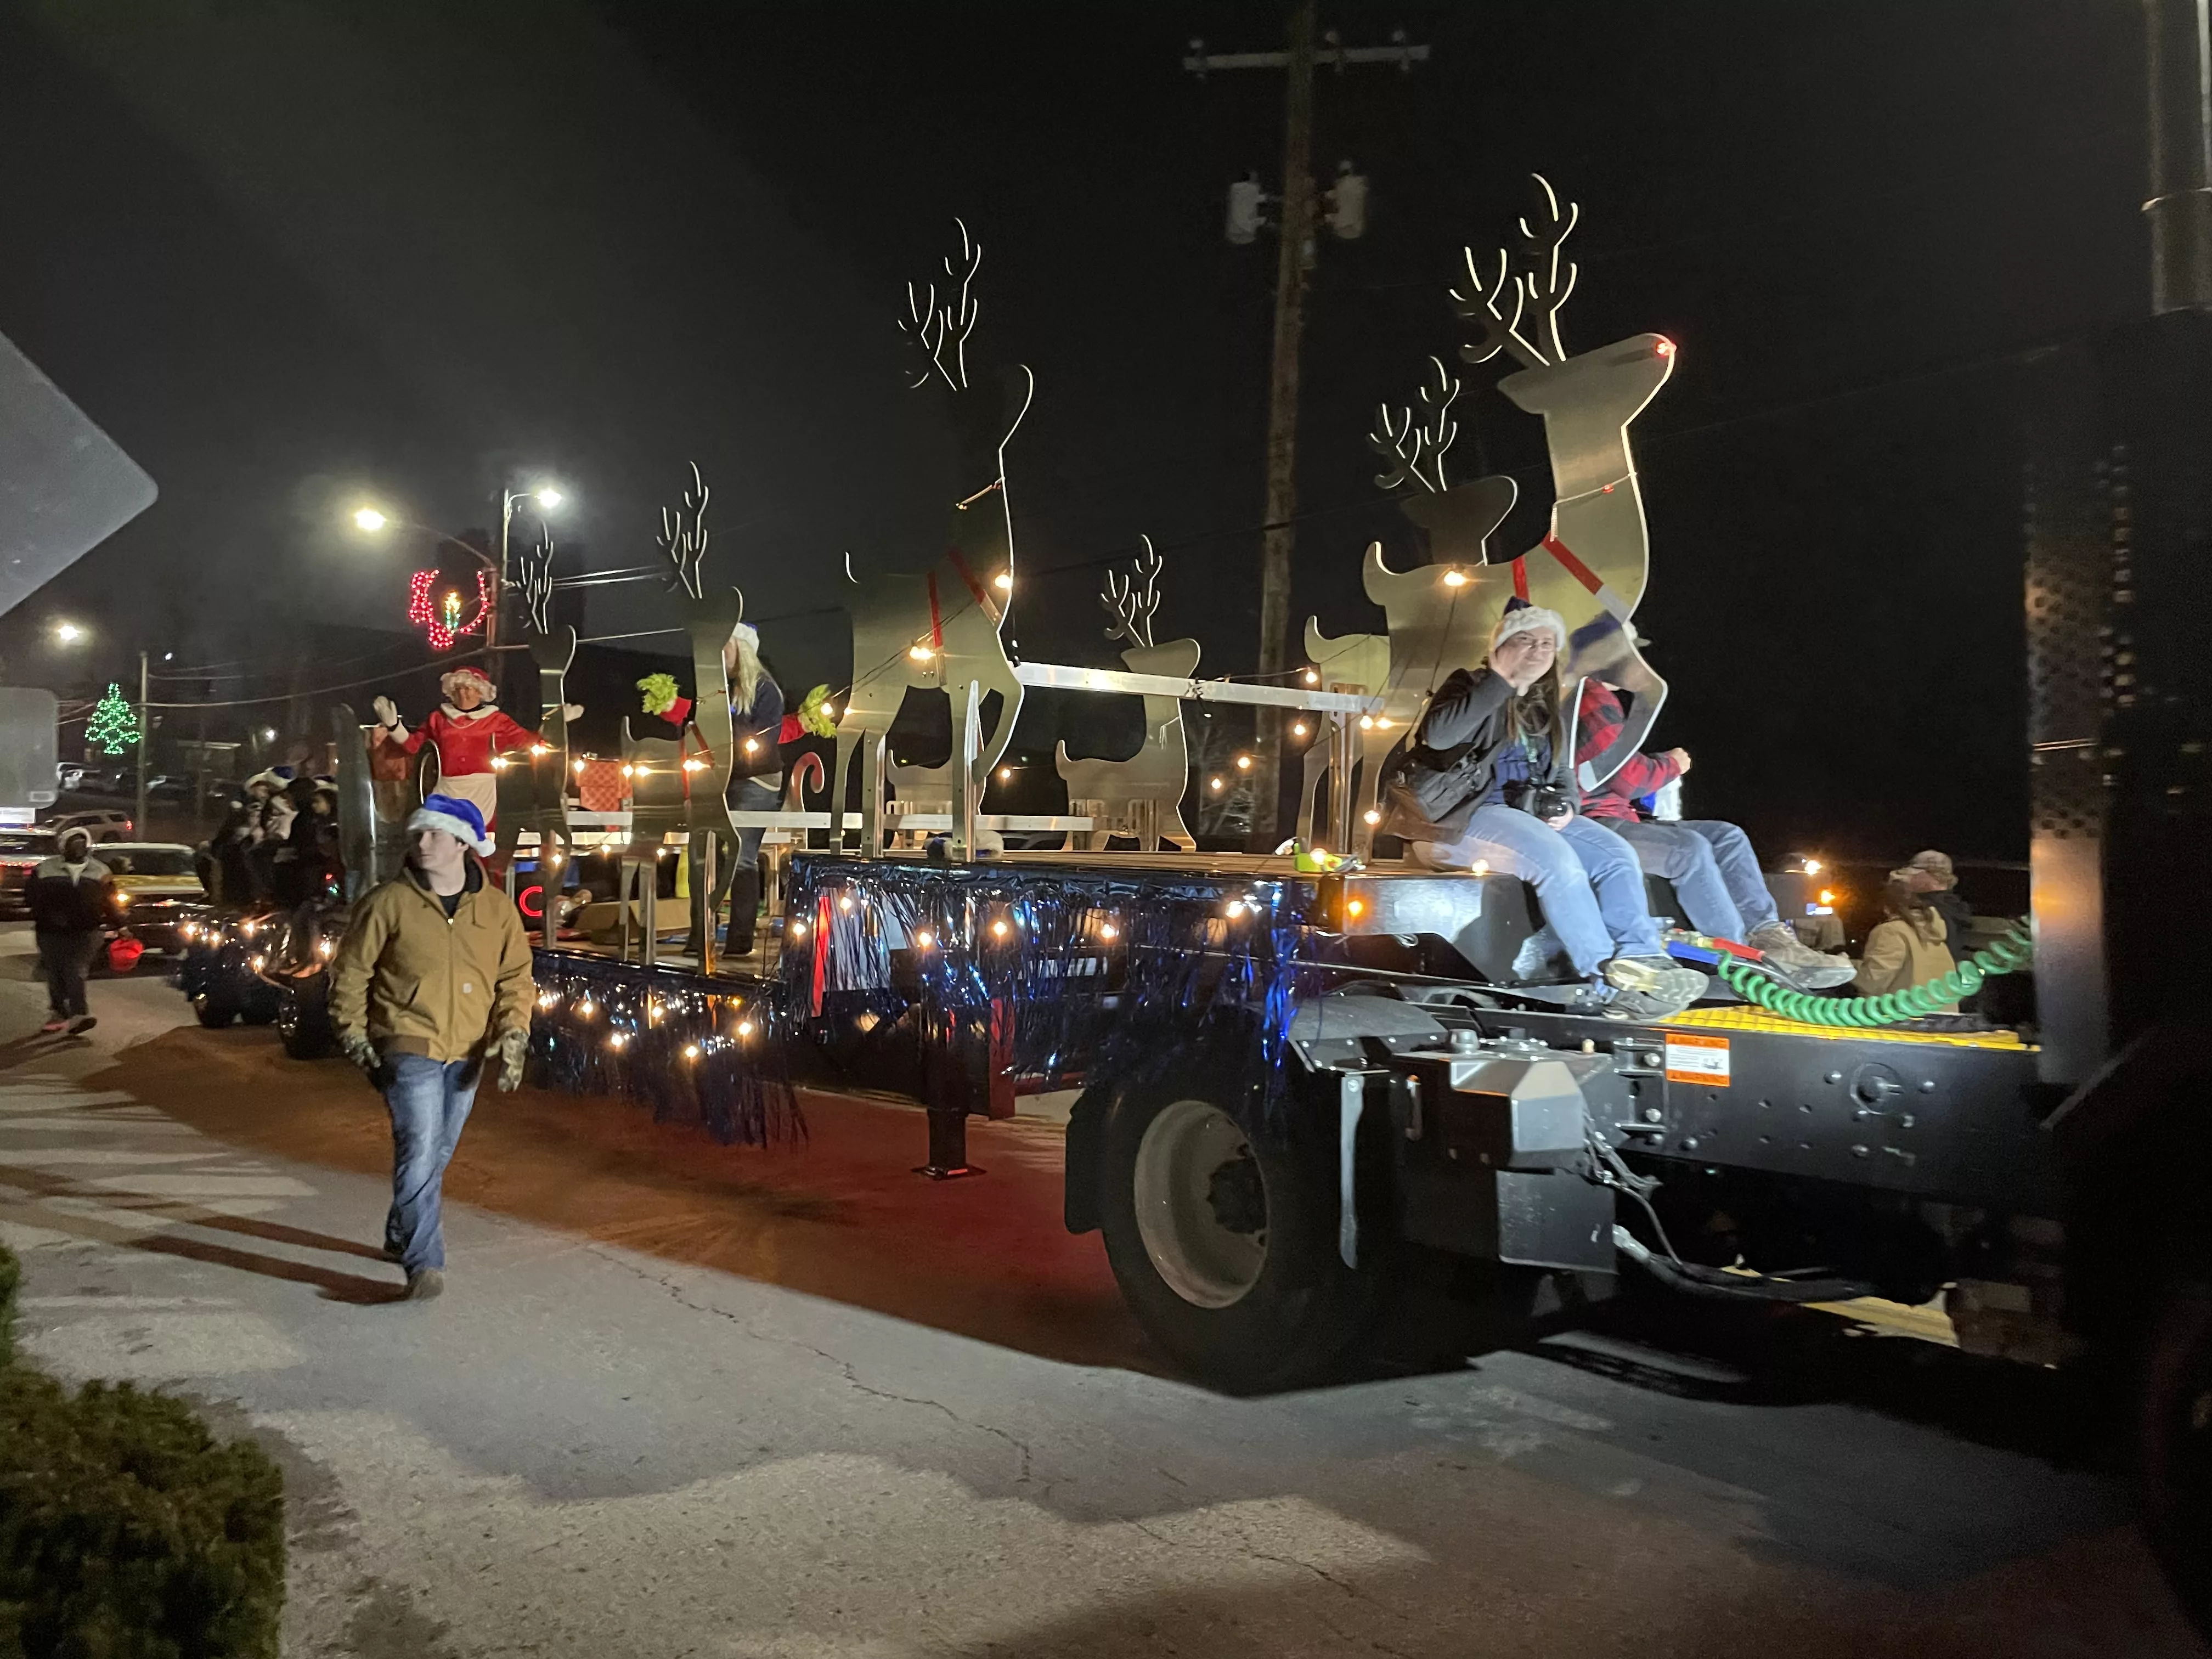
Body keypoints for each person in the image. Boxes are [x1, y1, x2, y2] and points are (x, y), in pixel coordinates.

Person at [1378, 598, 1708, 1020]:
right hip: (1457, 824)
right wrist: (1499, 680)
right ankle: (1610, 984)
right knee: (1559, 862)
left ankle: (1644, 962)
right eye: (1525, 640)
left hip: (1524, 820)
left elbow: (1562, 770)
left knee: (1616, 856)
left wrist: (1567, 807)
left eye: (1547, 644)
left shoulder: (1542, 706)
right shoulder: (1469, 685)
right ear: (1500, 645)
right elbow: (1439, 737)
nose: (1537, 651)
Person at [328, 793, 535, 1301]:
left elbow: (516, 978)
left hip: (468, 1051)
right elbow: (351, 973)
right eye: (418, 834)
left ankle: (401, 1233)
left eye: (435, 834)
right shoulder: (387, 903)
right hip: (407, 1043)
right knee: (419, 1146)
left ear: (464, 843)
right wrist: (352, 1031)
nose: (422, 843)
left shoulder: (497, 911)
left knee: (437, 1152)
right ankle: (426, 1264)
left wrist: (513, 1031)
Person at [1571, 678, 1854, 991]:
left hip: (1618, 816)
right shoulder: (1591, 697)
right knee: (1687, 850)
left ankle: (1769, 936)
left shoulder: (1592, 698)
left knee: (1727, 837)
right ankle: (1741, 962)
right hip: (1593, 821)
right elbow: (1629, 778)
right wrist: (1671, 765)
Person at [639, 620, 790, 957]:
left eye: (725, 647)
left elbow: (760, 744)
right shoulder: (722, 689)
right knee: (701, 855)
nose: (719, 655)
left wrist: (713, 716)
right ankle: (700, 936)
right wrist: (687, 714)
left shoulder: (767, 691)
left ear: (742, 649)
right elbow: (701, 732)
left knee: (741, 857)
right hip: (719, 778)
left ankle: (738, 940)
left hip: (756, 781)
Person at [371, 665, 561, 837]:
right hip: (446, 789)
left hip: (481, 791)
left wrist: (557, 724)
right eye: (458, 689)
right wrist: (394, 726)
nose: (463, 694)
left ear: (480, 692)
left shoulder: (496, 721)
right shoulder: (438, 719)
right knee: (442, 841)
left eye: (468, 688)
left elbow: (529, 742)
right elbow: (414, 746)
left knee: (480, 843)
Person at [27, 827, 116, 1035]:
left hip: (87, 930)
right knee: (55, 971)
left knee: (76, 969)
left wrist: (119, 923)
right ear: (63, 846)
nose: (78, 847)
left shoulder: (100, 870)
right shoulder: (45, 869)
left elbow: (111, 900)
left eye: (82, 842)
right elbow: (31, 897)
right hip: (51, 931)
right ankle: (59, 1011)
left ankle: (79, 1014)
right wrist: (48, 915)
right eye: (73, 843)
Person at [1855, 877, 1960, 1012]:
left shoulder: (1890, 931)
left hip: (1905, 1017)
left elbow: (1874, 979)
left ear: (1885, 908)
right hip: (1944, 1017)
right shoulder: (1932, 930)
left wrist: (1847, 967)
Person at [1892, 849, 1974, 955]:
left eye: (1914, 874)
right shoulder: (1953, 908)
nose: (1909, 879)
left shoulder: (1929, 908)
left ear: (1932, 877)